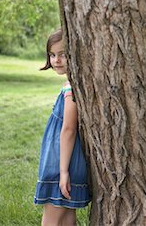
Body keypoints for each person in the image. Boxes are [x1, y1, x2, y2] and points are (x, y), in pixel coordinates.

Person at [34, 29, 90, 226]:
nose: (56, 60)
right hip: (71, 161)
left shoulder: (70, 87)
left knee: (51, 221)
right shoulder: (77, 83)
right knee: (66, 220)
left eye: (63, 54)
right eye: (52, 54)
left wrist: (63, 171)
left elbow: (68, 129)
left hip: (61, 163)